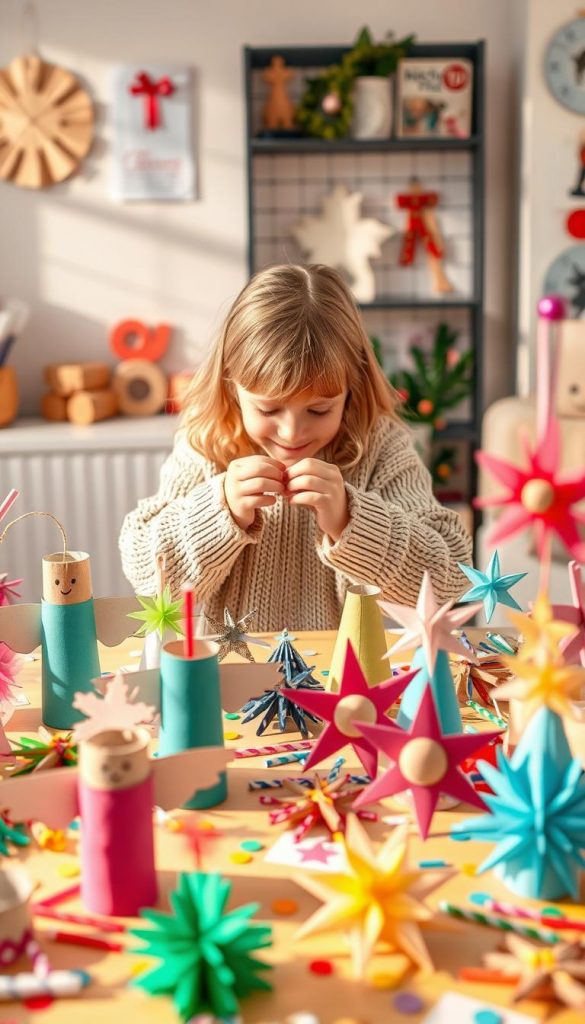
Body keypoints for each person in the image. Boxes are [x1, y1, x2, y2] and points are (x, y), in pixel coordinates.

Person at [119, 264, 471, 631]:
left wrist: (351, 518)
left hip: (343, 683)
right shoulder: (208, 442)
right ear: (231, 387)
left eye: (319, 409)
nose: (291, 432)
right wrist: (219, 508)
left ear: (353, 387)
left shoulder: (380, 446)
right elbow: (149, 576)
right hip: (228, 677)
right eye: (268, 408)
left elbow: (449, 578)